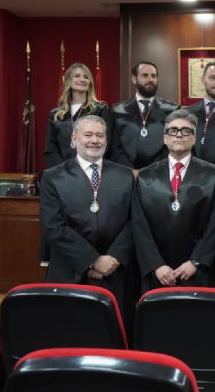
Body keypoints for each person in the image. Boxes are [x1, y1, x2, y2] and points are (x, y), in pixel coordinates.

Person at [39, 115, 134, 310]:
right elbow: (53, 227)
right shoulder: (53, 177)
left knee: (116, 336)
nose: (94, 140)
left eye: (100, 135)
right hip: (69, 272)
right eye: (88, 134)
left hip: (115, 272)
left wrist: (113, 258)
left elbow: (135, 221)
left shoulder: (126, 175)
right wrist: (92, 260)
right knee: (70, 336)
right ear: (74, 139)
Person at [133, 109, 215, 292]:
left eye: (186, 131)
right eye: (173, 131)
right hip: (158, 273)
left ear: (194, 137)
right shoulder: (145, 177)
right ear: (165, 138)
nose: (179, 135)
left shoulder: (214, 175)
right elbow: (139, 225)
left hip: (198, 271)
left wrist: (196, 262)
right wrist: (156, 265)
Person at [108, 60, 179, 174]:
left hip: (160, 174)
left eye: (154, 76)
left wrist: (154, 169)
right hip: (125, 173)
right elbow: (114, 148)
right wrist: (130, 171)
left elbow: (173, 145)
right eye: (145, 75)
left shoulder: (172, 110)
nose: (150, 79)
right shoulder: (117, 110)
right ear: (134, 79)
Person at [44, 63, 108, 168]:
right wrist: (63, 170)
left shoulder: (100, 110)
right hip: (62, 172)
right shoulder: (56, 114)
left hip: (91, 169)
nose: (82, 80)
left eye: (86, 77)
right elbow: (51, 149)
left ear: (90, 83)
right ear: (69, 81)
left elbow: (105, 143)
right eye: (77, 76)